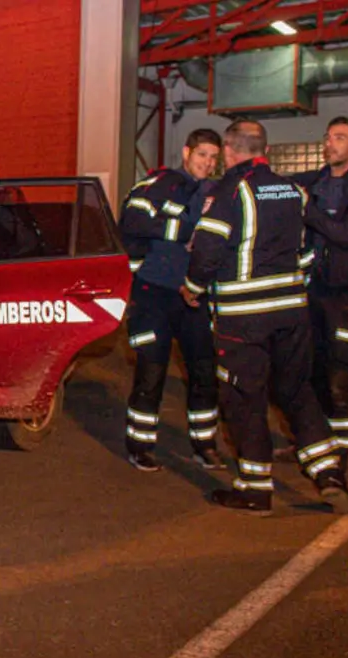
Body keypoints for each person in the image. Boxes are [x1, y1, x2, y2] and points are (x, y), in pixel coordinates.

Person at [181, 119, 348, 516]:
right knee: (297, 392)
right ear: (266, 149)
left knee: (244, 397)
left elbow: (208, 249)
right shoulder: (294, 190)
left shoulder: (229, 191)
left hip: (244, 317)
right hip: (292, 311)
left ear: (229, 151)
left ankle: (254, 488)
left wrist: (193, 287)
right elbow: (312, 245)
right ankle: (329, 474)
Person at [120, 129, 225, 472]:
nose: (208, 163)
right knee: (151, 370)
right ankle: (140, 445)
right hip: (153, 293)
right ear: (186, 153)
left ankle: (205, 445)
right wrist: (184, 232)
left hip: (194, 297)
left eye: (213, 157)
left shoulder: (216, 193)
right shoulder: (162, 184)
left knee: (204, 371)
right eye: (202, 155)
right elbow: (133, 221)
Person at [291, 117, 348, 459]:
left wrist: (307, 208)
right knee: (313, 367)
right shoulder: (315, 180)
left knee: (341, 369)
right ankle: (317, 441)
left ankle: (341, 450)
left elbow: (345, 235)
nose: (330, 144)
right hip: (315, 289)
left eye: (340, 138)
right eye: (328, 137)